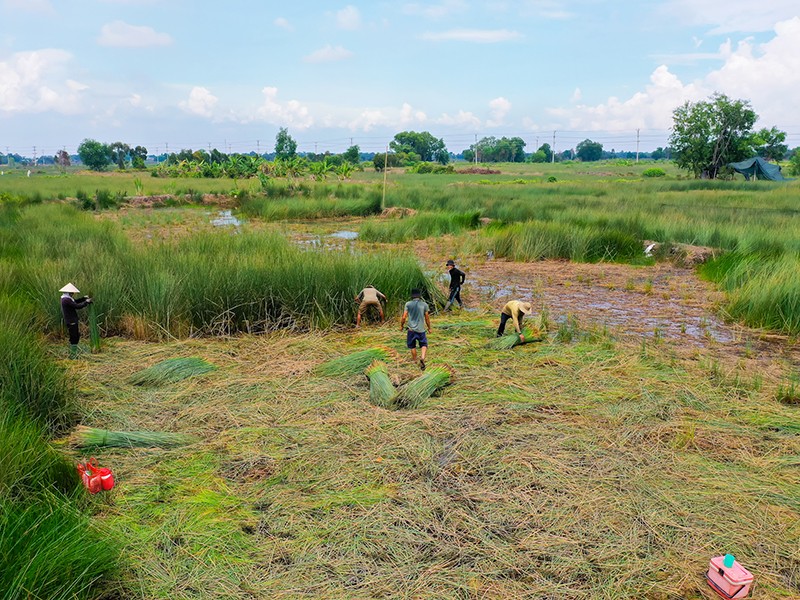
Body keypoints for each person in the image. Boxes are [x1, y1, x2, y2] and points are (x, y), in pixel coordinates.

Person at [400, 288, 431, 371]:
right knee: (424, 344)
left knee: (412, 346)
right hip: (421, 330)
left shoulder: (408, 304)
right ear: (419, 296)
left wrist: (401, 326)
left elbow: (404, 317)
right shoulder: (424, 304)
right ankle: (423, 358)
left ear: (412, 296)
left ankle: (415, 361)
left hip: (411, 330)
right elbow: (427, 318)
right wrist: (429, 328)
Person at [60, 283, 92, 357]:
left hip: (72, 320)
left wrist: (84, 298)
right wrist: (86, 302)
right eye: (72, 293)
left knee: (76, 335)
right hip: (71, 320)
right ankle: (73, 354)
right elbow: (77, 306)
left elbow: (75, 302)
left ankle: (74, 352)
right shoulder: (66, 300)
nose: (73, 294)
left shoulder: (66, 298)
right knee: (74, 336)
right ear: (69, 292)